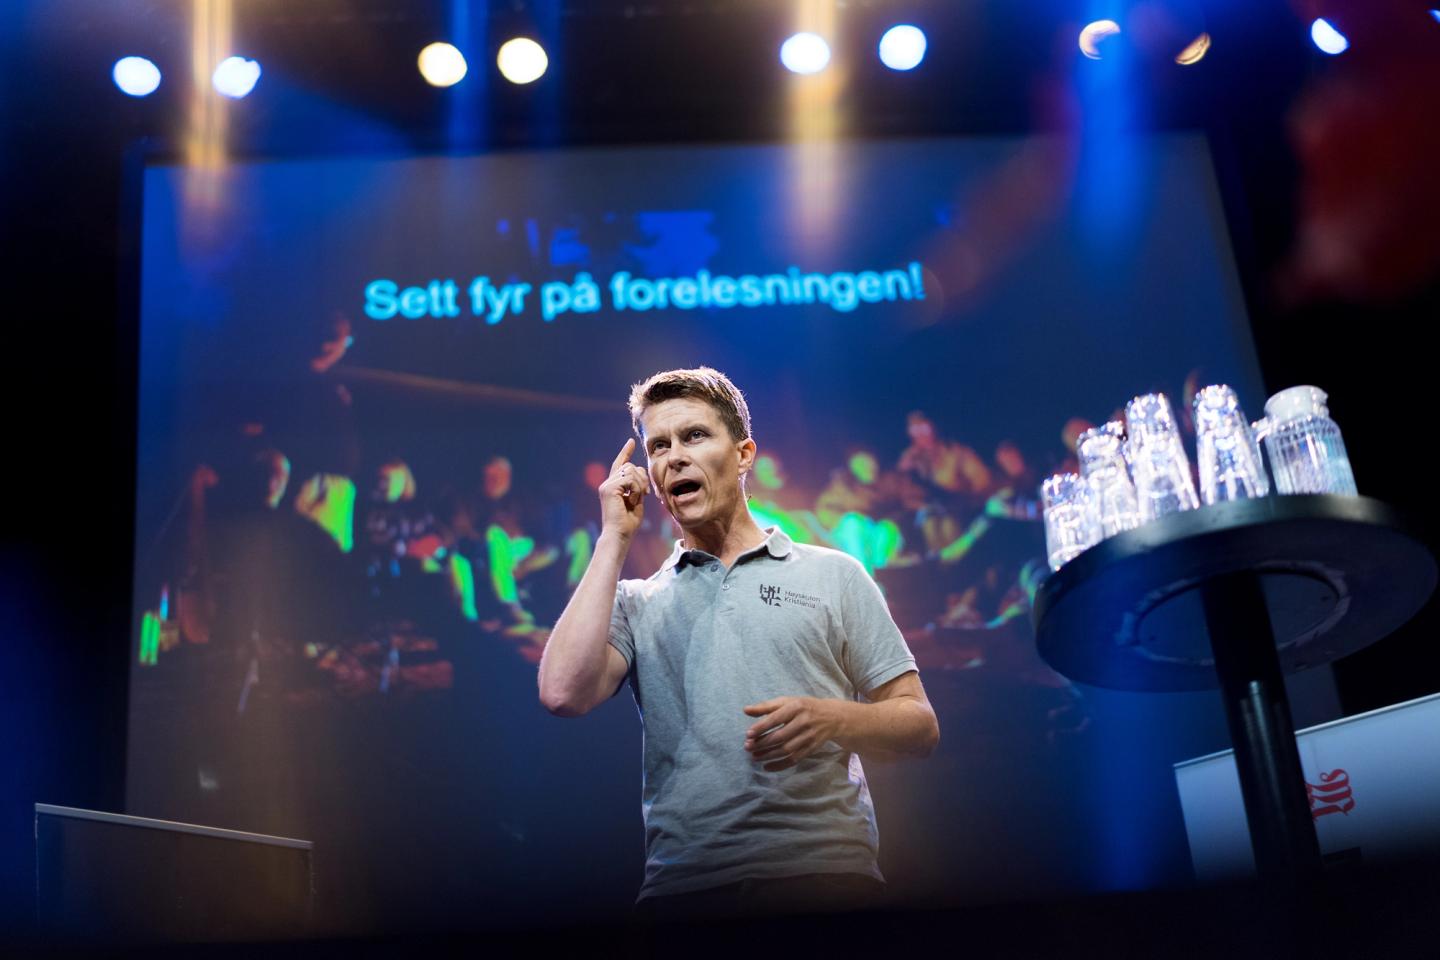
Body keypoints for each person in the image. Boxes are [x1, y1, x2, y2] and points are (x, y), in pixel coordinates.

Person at [537, 366, 939, 922]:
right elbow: (562, 693)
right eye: (658, 446)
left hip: (826, 877)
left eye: (694, 436)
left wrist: (832, 718)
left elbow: (919, 725)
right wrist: (614, 538)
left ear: (744, 454)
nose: (675, 457)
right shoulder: (637, 601)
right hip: (684, 889)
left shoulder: (834, 575)